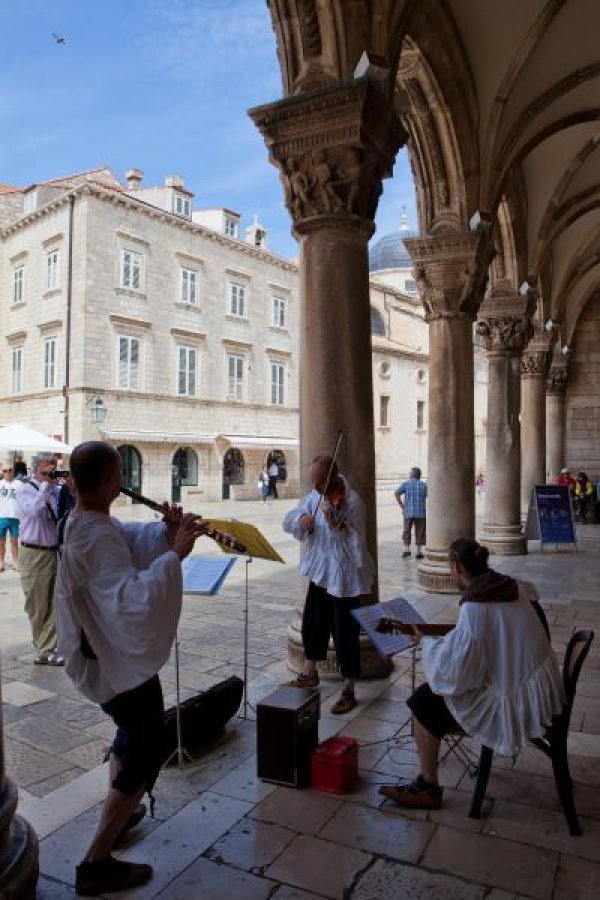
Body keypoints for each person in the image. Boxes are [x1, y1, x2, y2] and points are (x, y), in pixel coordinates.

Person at [55, 441, 207, 896]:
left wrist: (164, 533)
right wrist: (175, 553)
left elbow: (125, 541)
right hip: (112, 657)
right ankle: (96, 861)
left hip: (112, 656)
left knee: (132, 731)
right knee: (147, 744)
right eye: (119, 473)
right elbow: (128, 601)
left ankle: (122, 812)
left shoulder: (89, 520)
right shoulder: (90, 532)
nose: (124, 481)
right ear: (106, 482)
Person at [379, 538, 564, 809]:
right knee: (435, 694)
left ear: (457, 568)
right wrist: (446, 642)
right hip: (541, 684)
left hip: (522, 700)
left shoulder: (477, 607)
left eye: (450, 568)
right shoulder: (509, 585)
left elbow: (455, 674)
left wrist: (428, 644)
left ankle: (427, 785)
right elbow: (485, 639)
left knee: (423, 701)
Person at [283, 455, 374, 714]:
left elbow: (356, 547)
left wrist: (336, 526)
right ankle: (310, 673)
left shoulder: (353, 502)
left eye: (320, 483)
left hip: (343, 577)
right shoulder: (315, 496)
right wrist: (302, 521)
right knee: (313, 623)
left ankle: (349, 687)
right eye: (314, 483)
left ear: (332, 478)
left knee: (345, 632)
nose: (316, 489)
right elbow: (293, 515)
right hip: (321, 573)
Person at [16, 453, 63, 665]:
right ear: (37, 469)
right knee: (36, 607)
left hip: (54, 551)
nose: (51, 472)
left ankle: (46, 650)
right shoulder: (25, 489)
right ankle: (44, 648)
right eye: (47, 469)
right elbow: (34, 511)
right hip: (33, 553)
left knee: (56, 603)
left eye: (54, 468)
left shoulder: (58, 491)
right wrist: (45, 486)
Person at [394, 467, 427, 560]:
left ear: (412, 475)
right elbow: (428, 495)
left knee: (407, 530)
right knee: (420, 532)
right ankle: (418, 552)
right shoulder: (424, 485)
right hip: (421, 513)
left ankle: (407, 550)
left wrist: (402, 505)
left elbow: (396, 493)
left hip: (408, 512)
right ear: (419, 475)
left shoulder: (406, 484)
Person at [0, 463, 22, 571]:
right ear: (2, 472)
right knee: (1, 542)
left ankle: (15, 562)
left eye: (10, 470)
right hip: (1, 517)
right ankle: (1, 561)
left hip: (15, 517)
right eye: (5, 471)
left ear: (13, 471)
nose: (7, 473)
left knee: (14, 542)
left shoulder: (19, 484)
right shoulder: (0, 484)